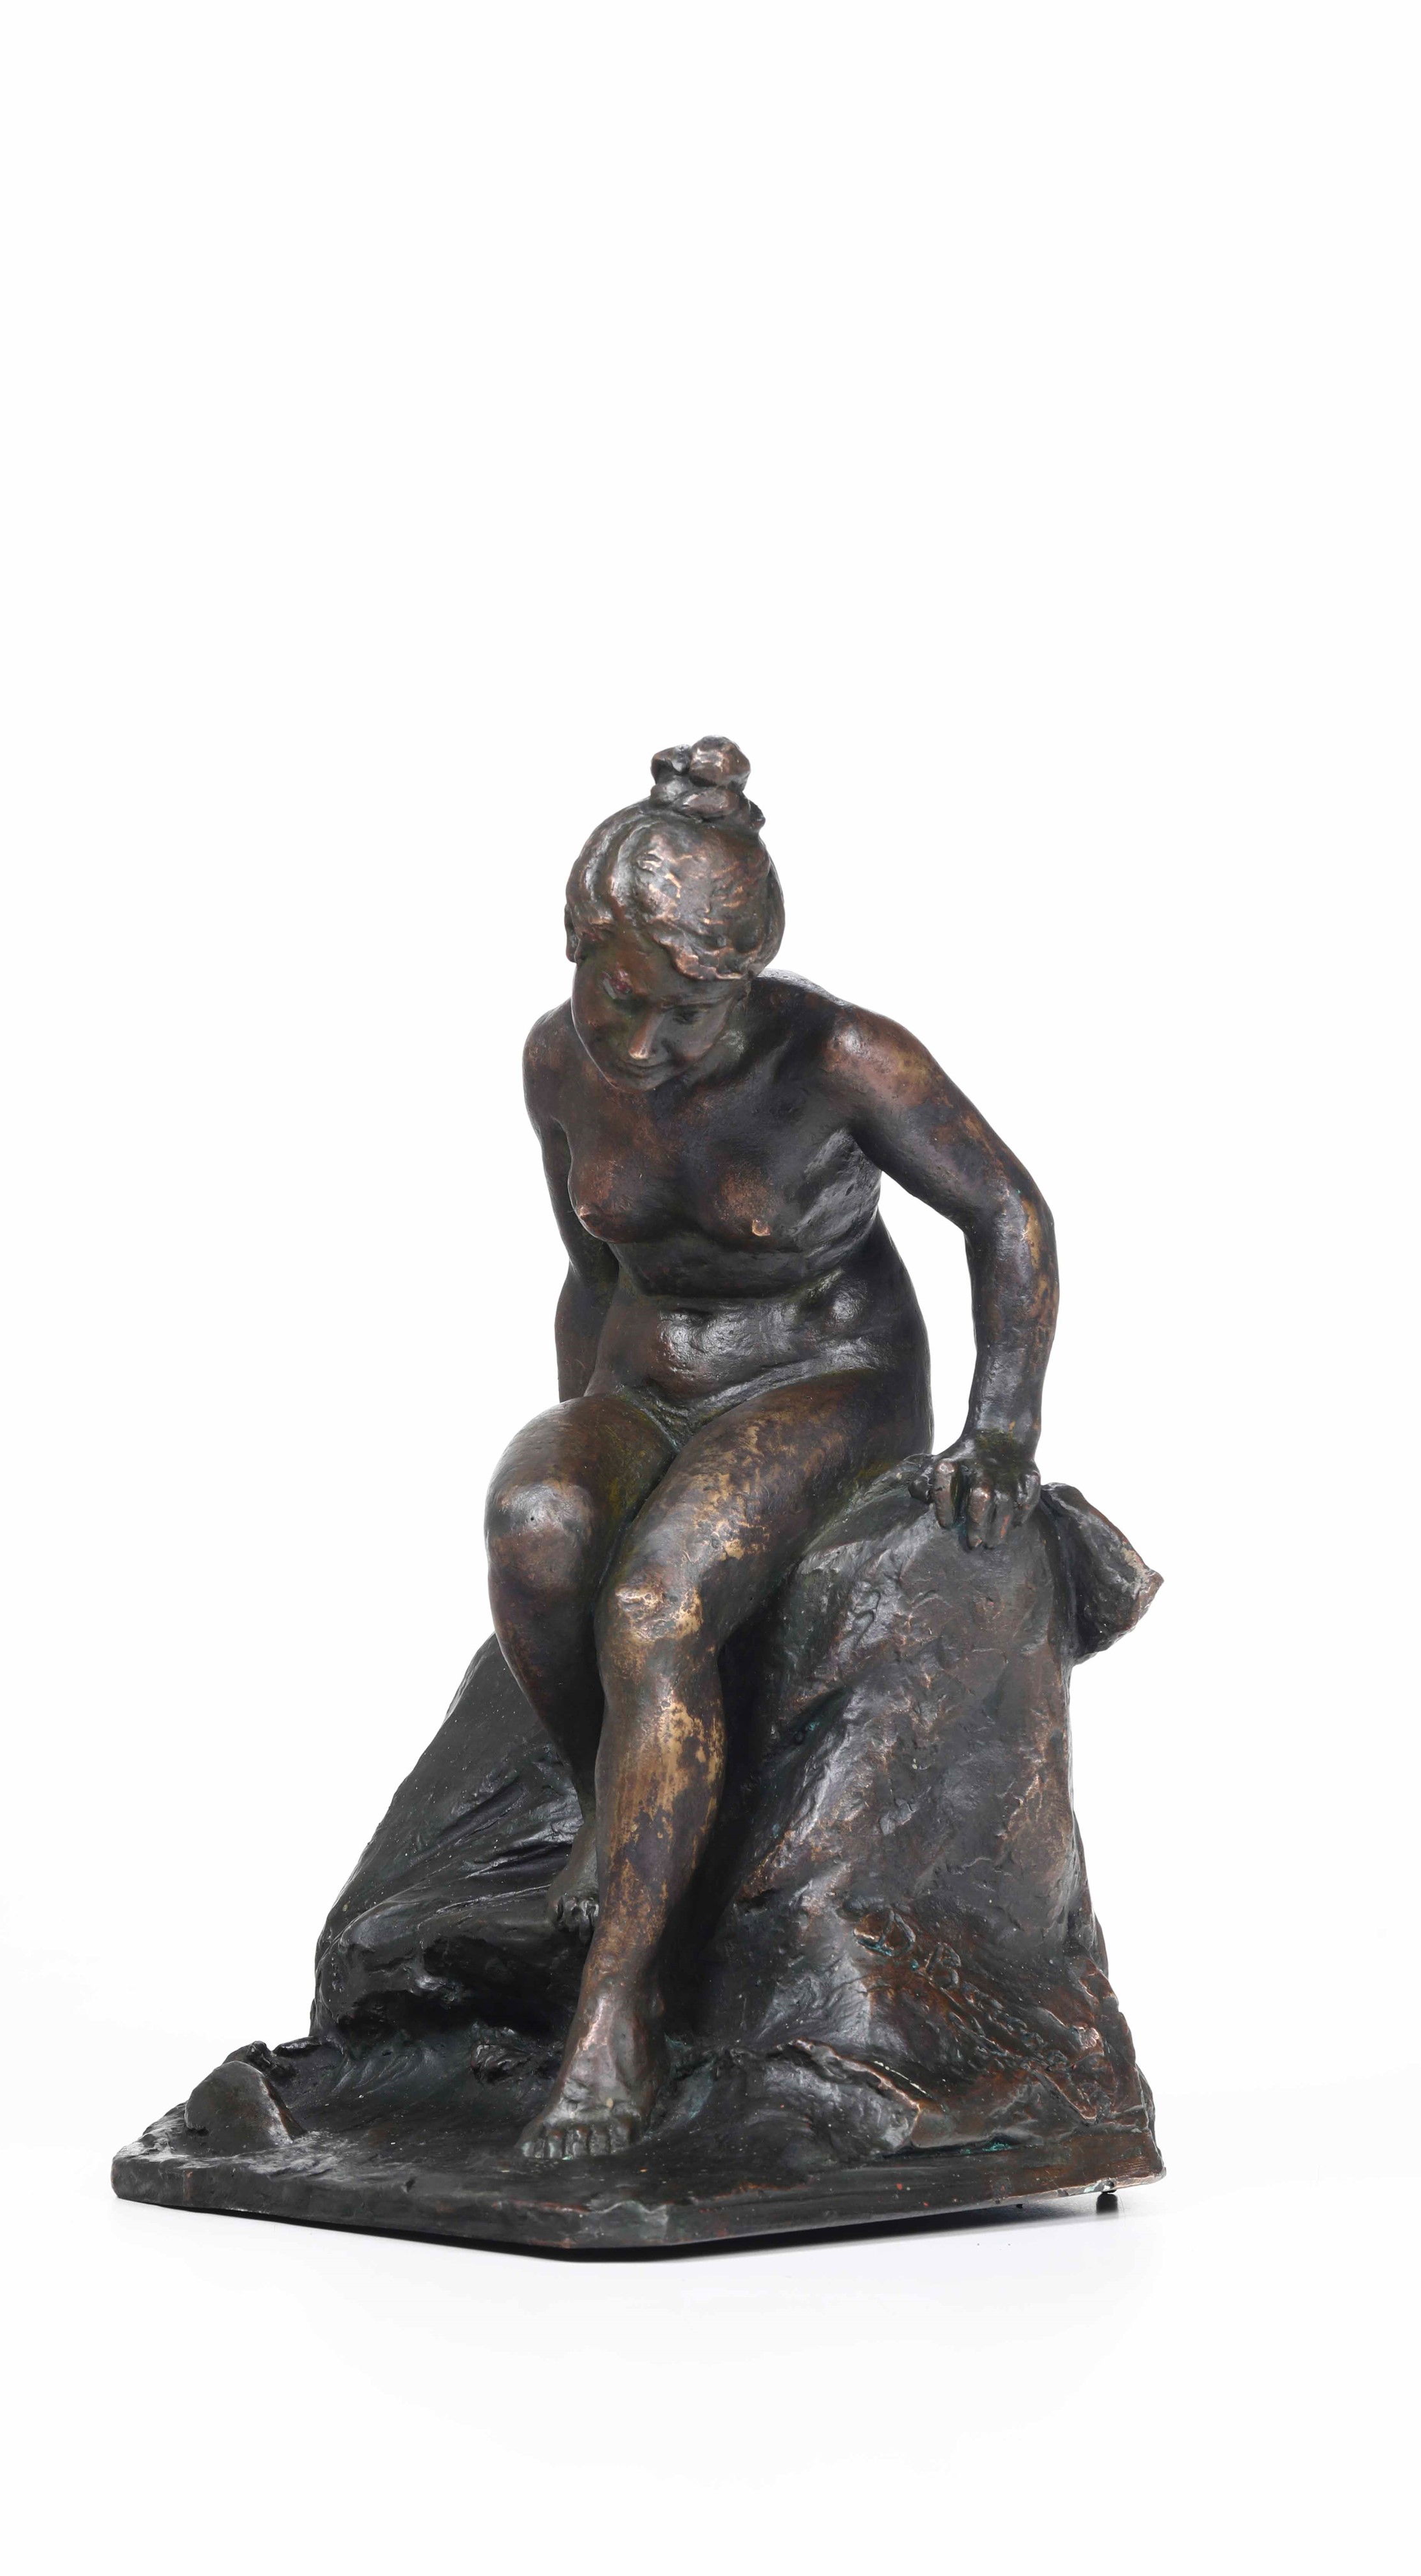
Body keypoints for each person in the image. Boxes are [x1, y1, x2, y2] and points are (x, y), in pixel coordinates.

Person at [485, 738, 1058, 2161]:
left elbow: (1008, 1215)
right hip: (647, 1381)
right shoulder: (555, 1061)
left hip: (825, 1379)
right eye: (621, 998)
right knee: (536, 1529)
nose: (645, 1045)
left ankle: (619, 2008)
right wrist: (583, 1446)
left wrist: (1000, 1425)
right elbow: (592, 1270)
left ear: (742, 983)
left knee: (655, 1602)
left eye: (687, 1014)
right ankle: (612, 1799)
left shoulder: (844, 1057)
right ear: (579, 948)